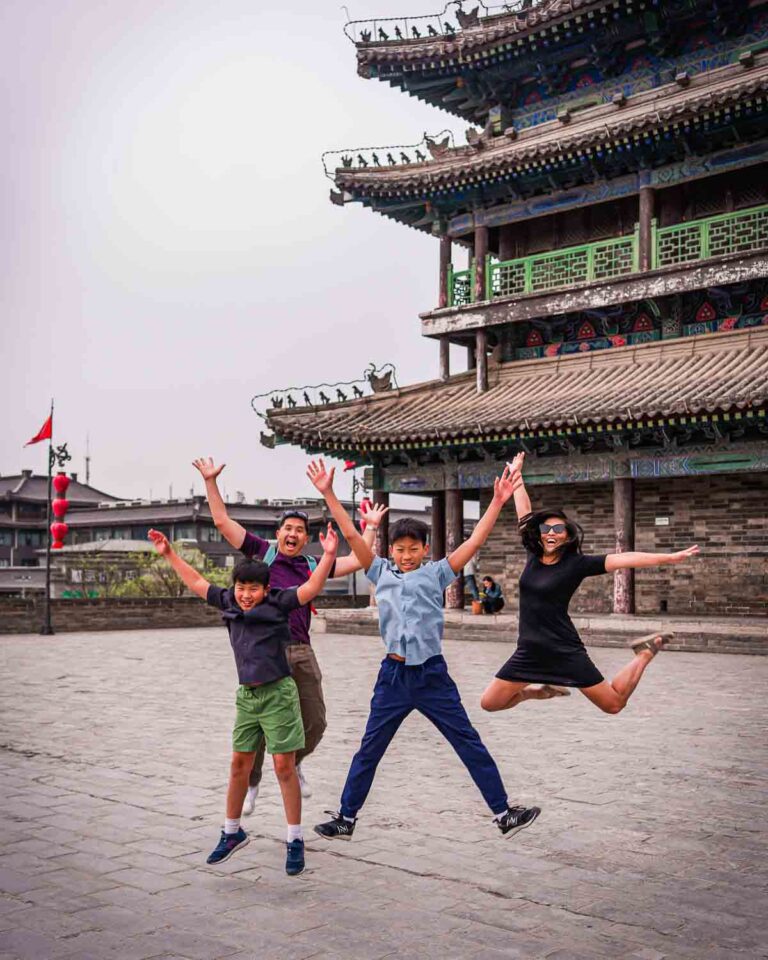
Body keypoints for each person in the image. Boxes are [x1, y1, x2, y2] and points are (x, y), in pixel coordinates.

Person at [306, 458, 541, 842]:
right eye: (399, 549)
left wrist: (498, 501)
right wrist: (329, 493)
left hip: (432, 675)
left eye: (413, 549)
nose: (406, 555)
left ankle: (504, 813)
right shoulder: (379, 571)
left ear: (425, 549)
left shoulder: (436, 573)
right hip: (393, 677)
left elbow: (474, 542)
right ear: (391, 550)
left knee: (467, 741)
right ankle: (346, 818)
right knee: (370, 749)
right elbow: (351, 536)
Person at [192, 457, 382, 814]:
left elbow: (358, 560)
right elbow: (221, 522)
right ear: (277, 534)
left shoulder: (314, 565)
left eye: (299, 530)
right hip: (266, 653)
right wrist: (210, 481)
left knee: (316, 719)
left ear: (306, 538)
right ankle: (253, 780)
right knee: (262, 725)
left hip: (301, 650)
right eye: (287, 529)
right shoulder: (263, 554)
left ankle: (293, 761)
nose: (292, 534)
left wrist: (369, 528)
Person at [147, 523, 338, 877]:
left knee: (283, 766)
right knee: (239, 764)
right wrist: (169, 554)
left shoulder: (279, 603)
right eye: (241, 588)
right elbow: (196, 582)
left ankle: (294, 840)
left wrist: (327, 556)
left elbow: (311, 588)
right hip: (247, 697)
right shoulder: (229, 602)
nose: (246, 595)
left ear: (266, 590)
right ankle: (231, 832)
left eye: (253, 589)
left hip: (279, 694)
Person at [480, 453, 699, 714]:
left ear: (567, 535)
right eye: (546, 529)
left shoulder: (577, 564)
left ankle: (645, 652)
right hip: (529, 650)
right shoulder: (533, 556)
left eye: (558, 529)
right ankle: (542, 691)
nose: (551, 534)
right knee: (490, 703)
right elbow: (524, 512)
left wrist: (670, 557)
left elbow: (625, 558)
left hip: (563, 648)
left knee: (613, 704)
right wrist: (517, 475)